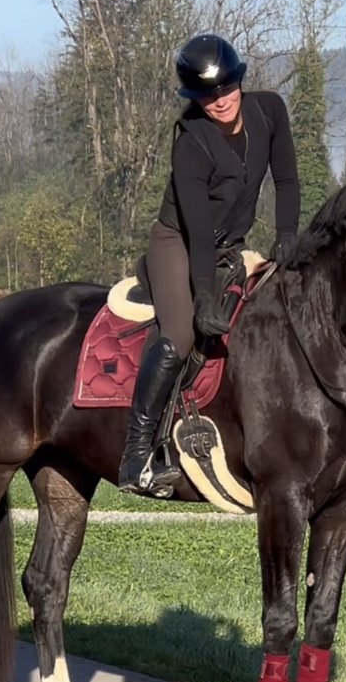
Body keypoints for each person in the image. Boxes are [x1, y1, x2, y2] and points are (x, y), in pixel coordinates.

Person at [117, 33, 301, 494]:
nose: (220, 101)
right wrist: (202, 297)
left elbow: (287, 179)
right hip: (177, 242)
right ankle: (137, 454)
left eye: (226, 89)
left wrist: (286, 237)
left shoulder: (270, 111)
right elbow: (197, 233)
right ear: (194, 98)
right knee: (180, 334)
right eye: (207, 95)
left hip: (230, 243)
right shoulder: (191, 142)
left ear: (240, 80)